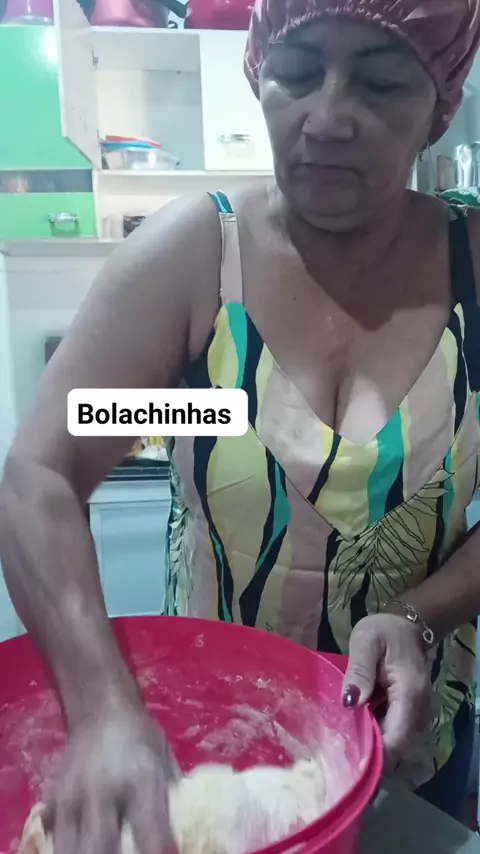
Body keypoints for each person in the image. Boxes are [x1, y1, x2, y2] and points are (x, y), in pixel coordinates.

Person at [1, 0, 480, 848]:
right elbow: (41, 473)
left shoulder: (472, 264)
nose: (327, 117)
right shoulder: (195, 257)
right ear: (259, 74)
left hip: (414, 741)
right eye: (297, 73)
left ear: (439, 106)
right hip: (209, 752)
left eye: (379, 83)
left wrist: (419, 615)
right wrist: (103, 709)